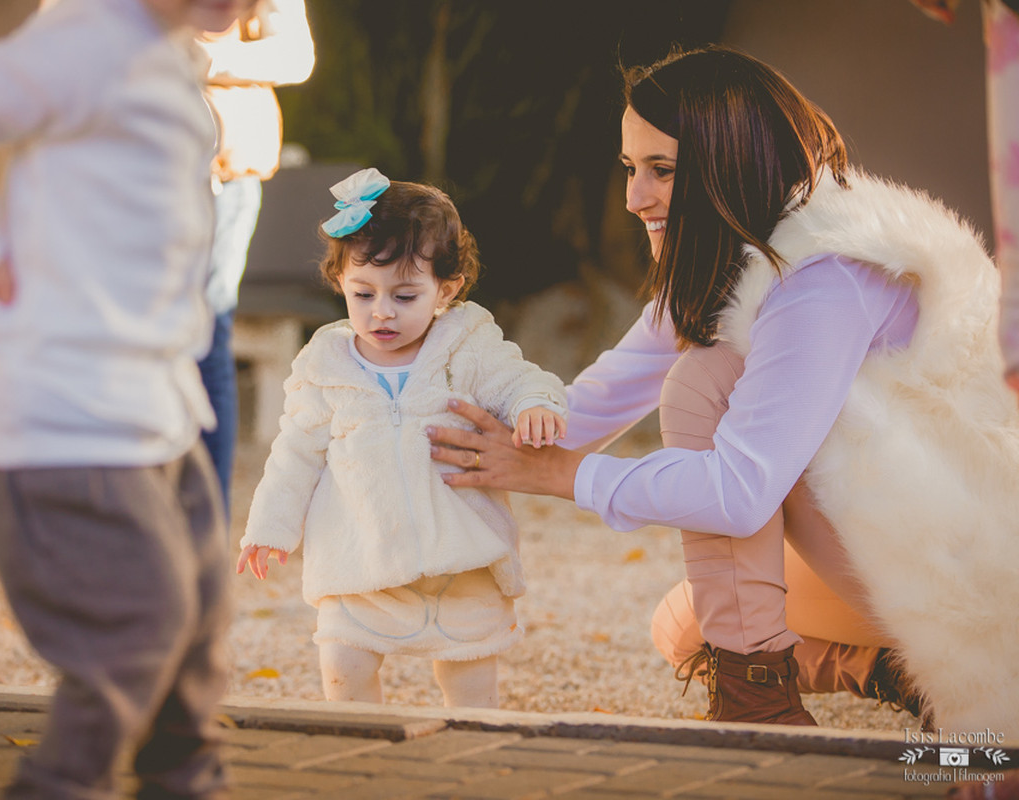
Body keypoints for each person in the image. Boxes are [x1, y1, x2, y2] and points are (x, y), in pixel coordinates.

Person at [427, 45, 1019, 731]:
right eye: (629, 168)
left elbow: (739, 496)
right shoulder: (728, 264)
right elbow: (582, 408)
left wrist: (567, 476)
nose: (633, 197)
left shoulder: (822, 280)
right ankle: (908, 679)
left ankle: (763, 705)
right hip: (899, 546)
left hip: (975, 569)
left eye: (661, 170)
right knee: (688, 629)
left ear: (730, 165)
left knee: (705, 382)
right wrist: (424, 434)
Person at [0, 0, 249, 796]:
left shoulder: (161, 47)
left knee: (197, 623)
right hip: (65, 418)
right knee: (136, 631)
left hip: (157, 408)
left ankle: (187, 784)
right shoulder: (90, 38)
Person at [237, 168, 567, 708]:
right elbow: (294, 453)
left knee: (469, 679)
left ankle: (474, 753)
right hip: (360, 559)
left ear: (447, 289)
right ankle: (360, 754)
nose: (381, 311)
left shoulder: (466, 345)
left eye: (405, 295)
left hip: (462, 561)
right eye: (363, 293)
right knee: (344, 664)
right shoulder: (325, 365)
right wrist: (270, 526)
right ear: (340, 281)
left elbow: (517, 378)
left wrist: (535, 404)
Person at [194, 0, 314, 511]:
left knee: (205, 338)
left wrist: (206, 62)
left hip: (221, 176)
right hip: (123, 173)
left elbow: (296, 56)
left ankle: (203, 529)